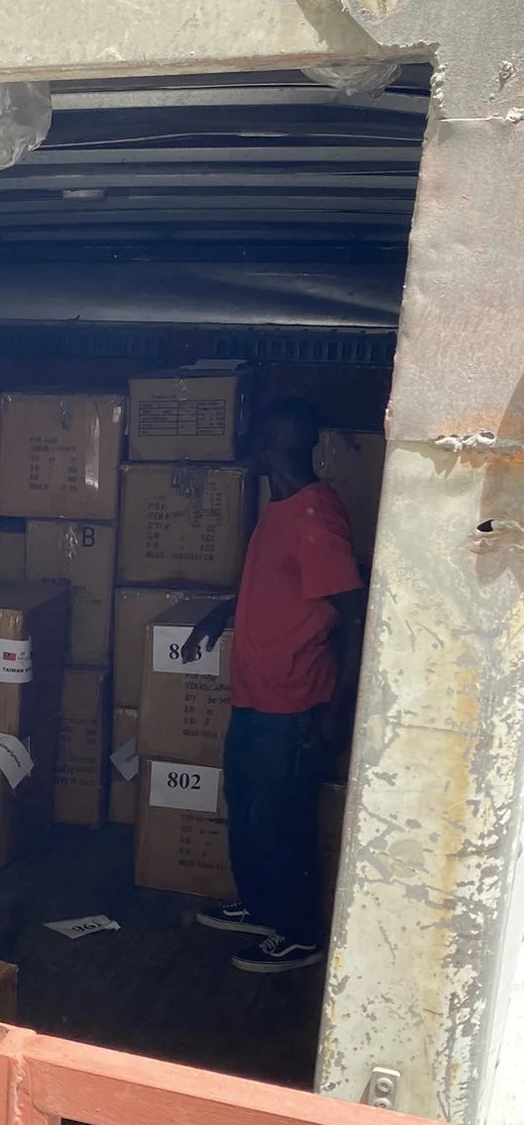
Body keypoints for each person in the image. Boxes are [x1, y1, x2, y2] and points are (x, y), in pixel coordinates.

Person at [182, 396, 366, 976]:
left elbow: (354, 614)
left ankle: (297, 932)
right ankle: (262, 908)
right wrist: (221, 614)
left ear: (269, 448)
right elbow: (277, 591)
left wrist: (337, 714)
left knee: (281, 818)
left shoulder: (314, 519)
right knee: (249, 807)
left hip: (293, 703)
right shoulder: (282, 507)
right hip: (257, 697)